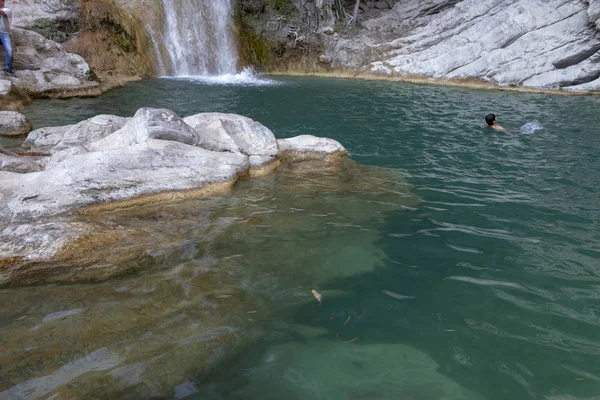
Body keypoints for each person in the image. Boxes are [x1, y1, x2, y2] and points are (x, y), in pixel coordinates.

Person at [0, 0, 14, 77]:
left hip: (5, 34)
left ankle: (8, 69)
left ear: (2, 2)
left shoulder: (7, 10)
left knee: (9, 50)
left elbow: (1, 12)